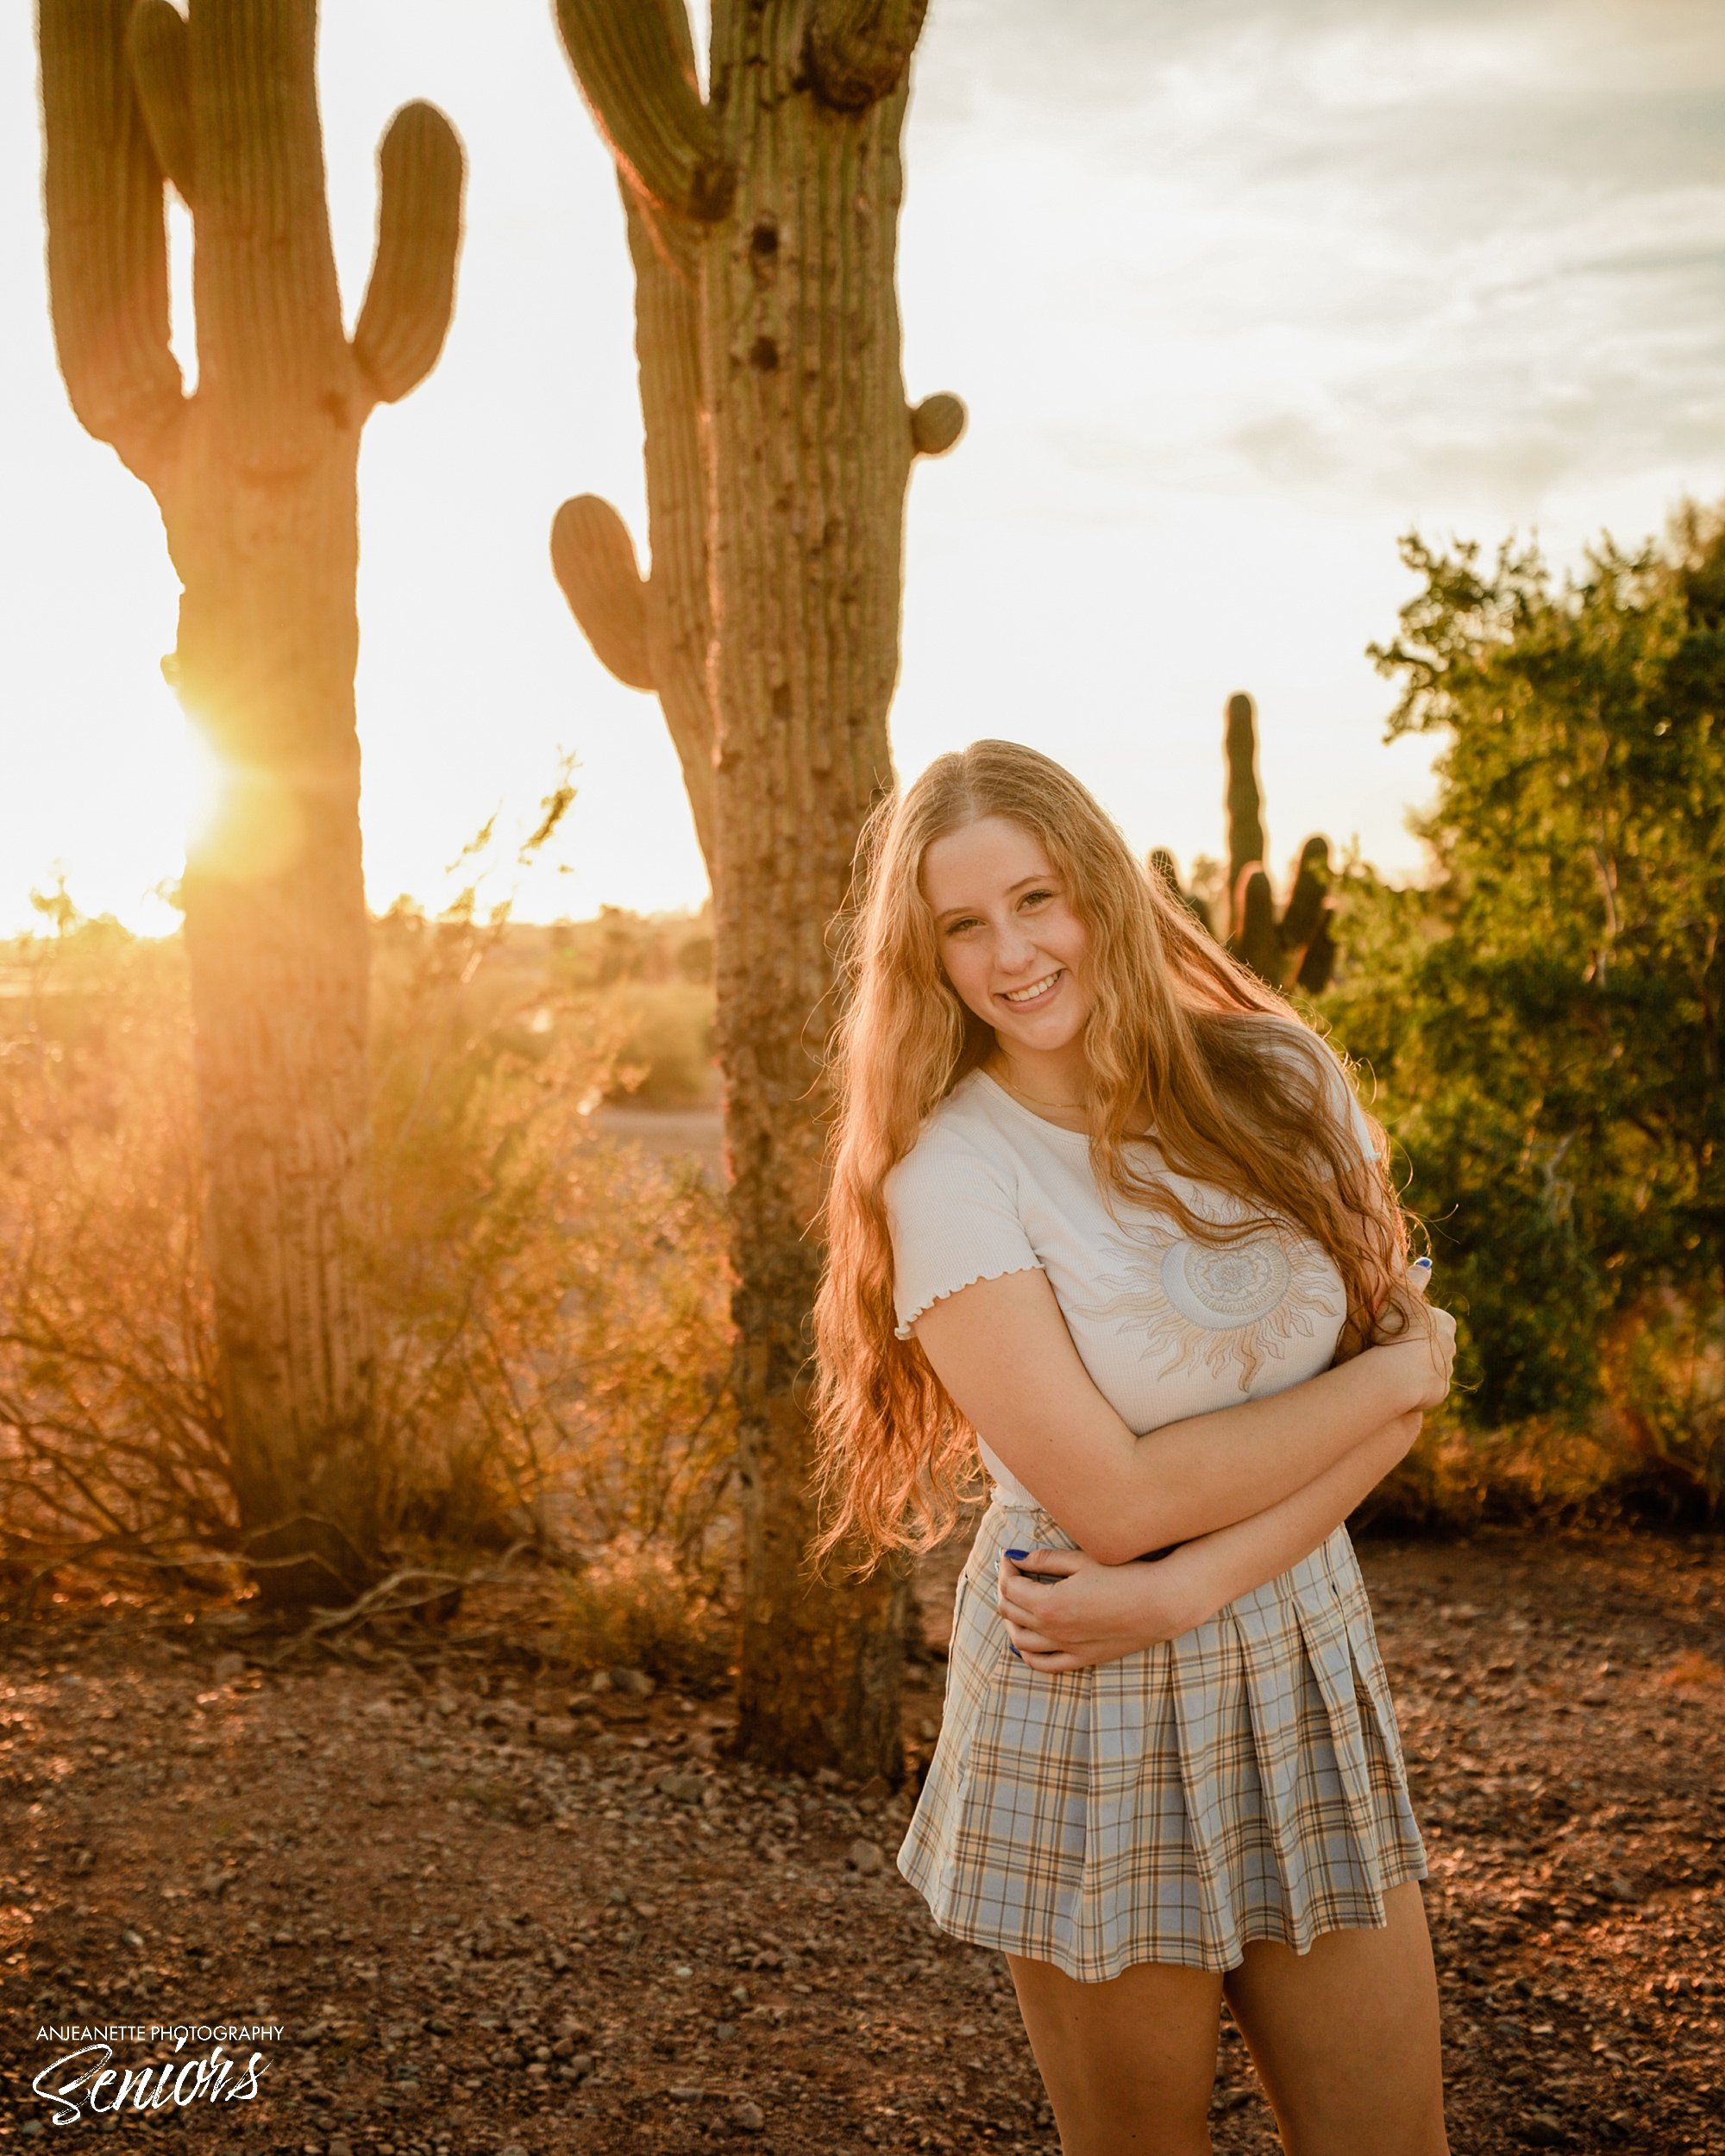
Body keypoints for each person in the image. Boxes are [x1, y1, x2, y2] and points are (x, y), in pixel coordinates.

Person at [812, 741, 1457, 2155]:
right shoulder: (956, 1178)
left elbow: (1388, 1398)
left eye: (1037, 898)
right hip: (1086, 1681)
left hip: (1297, 1646)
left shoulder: (1281, 1078)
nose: (1011, 955)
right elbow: (1116, 1502)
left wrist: (1187, 1587)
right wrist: (1407, 1371)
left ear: (1101, 887)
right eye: (961, 927)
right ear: (926, 959)